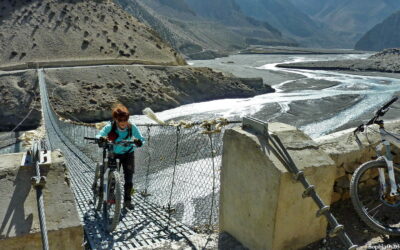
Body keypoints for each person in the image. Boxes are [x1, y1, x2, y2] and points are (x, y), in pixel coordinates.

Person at [96, 103, 145, 209]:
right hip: (113, 153)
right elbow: (100, 133)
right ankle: (109, 196)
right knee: (111, 176)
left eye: (125, 120)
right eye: (120, 120)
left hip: (128, 154)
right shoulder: (111, 126)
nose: (123, 123)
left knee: (129, 178)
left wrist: (139, 142)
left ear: (128, 119)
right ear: (116, 119)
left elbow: (141, 139)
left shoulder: (132, 127)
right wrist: (101, 138)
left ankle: (127, 201)